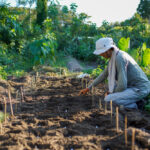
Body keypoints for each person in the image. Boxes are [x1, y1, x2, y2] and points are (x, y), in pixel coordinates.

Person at [79, 37, 150, 109]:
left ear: (108, 50)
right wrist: (88, 88)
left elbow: (122, 85)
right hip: (132, 87)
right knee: (111, 99)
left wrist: (112, 93)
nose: (100, 55)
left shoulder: (119, 58)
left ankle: (136, 105)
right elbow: (104, 75)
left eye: (101, 52)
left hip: (140, 89)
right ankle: (133, 101)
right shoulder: (113, 58)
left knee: (108, 99)